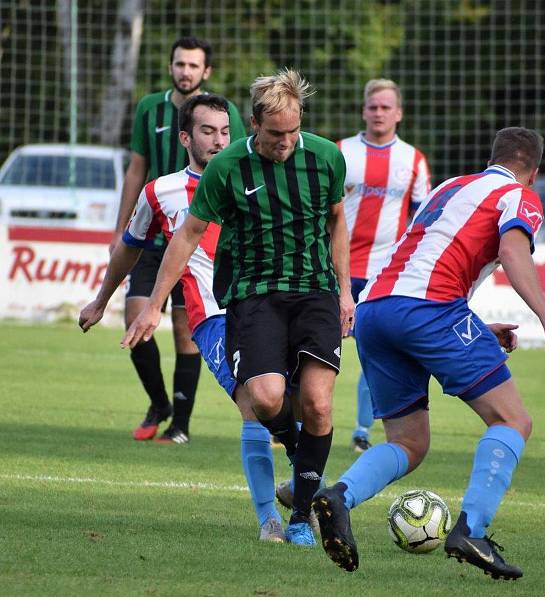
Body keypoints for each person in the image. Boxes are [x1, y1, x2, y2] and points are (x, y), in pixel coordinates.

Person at [312, 127, 545, 580]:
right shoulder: (520, 196)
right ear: (533, 171)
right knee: (513, 420)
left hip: (376, 309)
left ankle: (338, 496)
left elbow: (428, 258)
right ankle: (471, 529)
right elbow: (514, 253)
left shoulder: (450, 187)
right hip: (430, 309)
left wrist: (476, 327)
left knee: (409, 443)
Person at [122, 68, 353, 547]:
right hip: (254, 294)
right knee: (267, 399)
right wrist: (153, 305)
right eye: (274, 134)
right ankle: (297, 450)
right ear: (253, 124)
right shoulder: (227, 168)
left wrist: (346, 291)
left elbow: (336, 223)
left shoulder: (328, 158)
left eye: (293, 131)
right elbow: (187, 236)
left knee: (318, 402)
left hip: (315, 292)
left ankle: (297, 518)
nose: (286, 142)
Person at [79, 94, 285, 541]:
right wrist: (101, 300)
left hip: (273, 306)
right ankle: (270, 518)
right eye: (208, 131)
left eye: (226, 131)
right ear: (185, 137)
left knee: (302, 406)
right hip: (212, 314)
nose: (218, 140)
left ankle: (304, 497)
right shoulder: (161, 191)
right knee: (253, 404)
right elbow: (129, 249)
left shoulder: (260, 176)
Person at [112, 36, 247, 443]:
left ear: (205, 71)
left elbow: (239, 160)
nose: (185, 70)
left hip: (198, 235)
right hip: (153, 232)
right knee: (135, 317)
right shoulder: (149, 108)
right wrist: (120, 230)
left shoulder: (223, 112)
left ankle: (181, 425)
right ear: (171, 66)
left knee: (187, 327)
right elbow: (137, 169)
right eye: (180, 63)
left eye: (193, 65)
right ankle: (159, 401)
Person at [339, 78, 431, 452]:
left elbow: (419, 221)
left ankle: (363, 430)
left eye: (385, 107)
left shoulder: (413, 160)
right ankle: (296, 424)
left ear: (399, 113)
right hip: (337, 269)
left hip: (382, 275)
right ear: (364, 111)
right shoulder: (340, 152)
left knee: (372, 353)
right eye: (372, 107)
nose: (378, 113)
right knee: (312, 349)